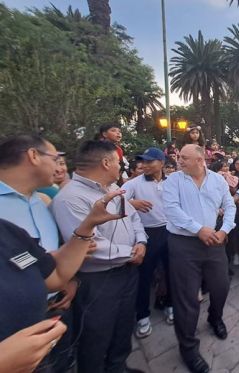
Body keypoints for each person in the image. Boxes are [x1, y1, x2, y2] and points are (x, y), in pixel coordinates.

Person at [0, 188, 124, 373]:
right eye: (54, 158)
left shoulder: (8, 231)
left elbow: (54, 275)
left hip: (49, 339)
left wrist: (88, 224)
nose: (59, 165)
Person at [51, 140, 147, 373]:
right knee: (96, 336)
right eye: (118, 161)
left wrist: (141, 242)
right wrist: (129, 253)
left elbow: (133, 218)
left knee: (123, 328)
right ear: (106, 162)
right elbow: (90, 245)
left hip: (127, 271)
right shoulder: (70, 198)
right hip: (99, 280)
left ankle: (118, 367)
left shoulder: (112, 189)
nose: (120, 166)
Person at [0, 135, 78, 371]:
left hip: (56, 308)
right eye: (55, 158)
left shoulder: (43, 200)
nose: (59, 166)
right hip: (13, 335)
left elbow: (51, 255)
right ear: (33, 156)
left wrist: (69, 278)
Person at [162, 144, 235, 373]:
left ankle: (215, 318)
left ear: (200, 159)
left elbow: (230, 205)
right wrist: (198, 229)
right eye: (179, 157)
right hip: (184, 245)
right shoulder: (173, 181)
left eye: (184, 157)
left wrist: (224, 230)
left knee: (221, 286)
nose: (179, 160)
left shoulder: (217, 180)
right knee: (187, 299)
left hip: (214, 241)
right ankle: (188, 349)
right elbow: (172, 210)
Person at [122, 147, 174, 338]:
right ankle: (142, 316)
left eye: (149, 161)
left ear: (161, 163)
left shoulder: (173, 181)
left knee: (171, 272)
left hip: (170, 230)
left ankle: (170, 305)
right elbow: (113, 201)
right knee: (144, 277)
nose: (143, 165)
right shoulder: (134, 184)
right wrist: (131, 204)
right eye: (142, 161)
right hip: (147, 234)